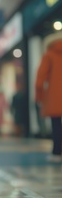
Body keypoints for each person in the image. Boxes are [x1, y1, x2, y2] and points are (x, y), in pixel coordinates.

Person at [35, 32, 62, 162]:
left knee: (56, 125)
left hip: (55, 98)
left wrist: (38, 97)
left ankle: (57, 153)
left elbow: (40, 79)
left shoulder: (49, 55)